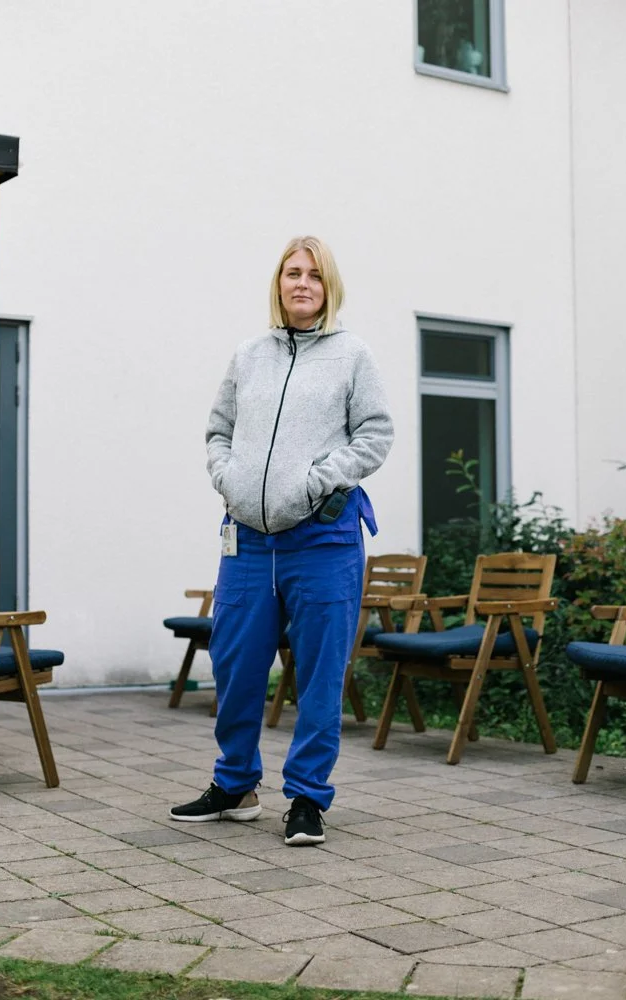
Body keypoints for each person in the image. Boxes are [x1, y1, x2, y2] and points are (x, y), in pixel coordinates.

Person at [170, 236, 394, 845]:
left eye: (314, 276)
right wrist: (229, 479)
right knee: (237, 665)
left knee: (320, 676)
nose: (302, 284)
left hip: (321, 540)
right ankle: (236, 786)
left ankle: (307, 799)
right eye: (292, 273)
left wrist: (318, 481)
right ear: (278, 283)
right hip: (246, 540)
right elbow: (218, 431)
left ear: (329, 288)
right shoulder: (248, 355)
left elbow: (376, 435)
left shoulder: (352, 356)